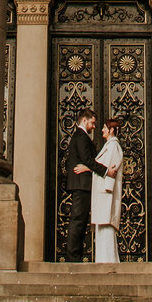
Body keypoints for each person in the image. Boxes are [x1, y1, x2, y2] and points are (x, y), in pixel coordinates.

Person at [59, 110, 98, 261]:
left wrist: (89, 167)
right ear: (84, 121)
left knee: (80, 221)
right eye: (92, 123)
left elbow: (87, 162)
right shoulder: (81, 137)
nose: (93, 127)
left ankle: (75, 256)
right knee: (78, 221)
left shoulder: (80, 136)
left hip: (82, 184)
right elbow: (88, 159)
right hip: (81, 184)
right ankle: (73, 257)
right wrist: (106, 170)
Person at [91, 118, 125, 263]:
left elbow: (109, 169)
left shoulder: (113, 147)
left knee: (106, 228)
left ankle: (108, 261)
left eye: (105, 127)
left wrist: (106, 190)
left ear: (111, 130)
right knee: (102, 229)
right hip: (104, 194)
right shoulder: (109, 146)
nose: (102, 130)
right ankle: (104, 260)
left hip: (106, 194)